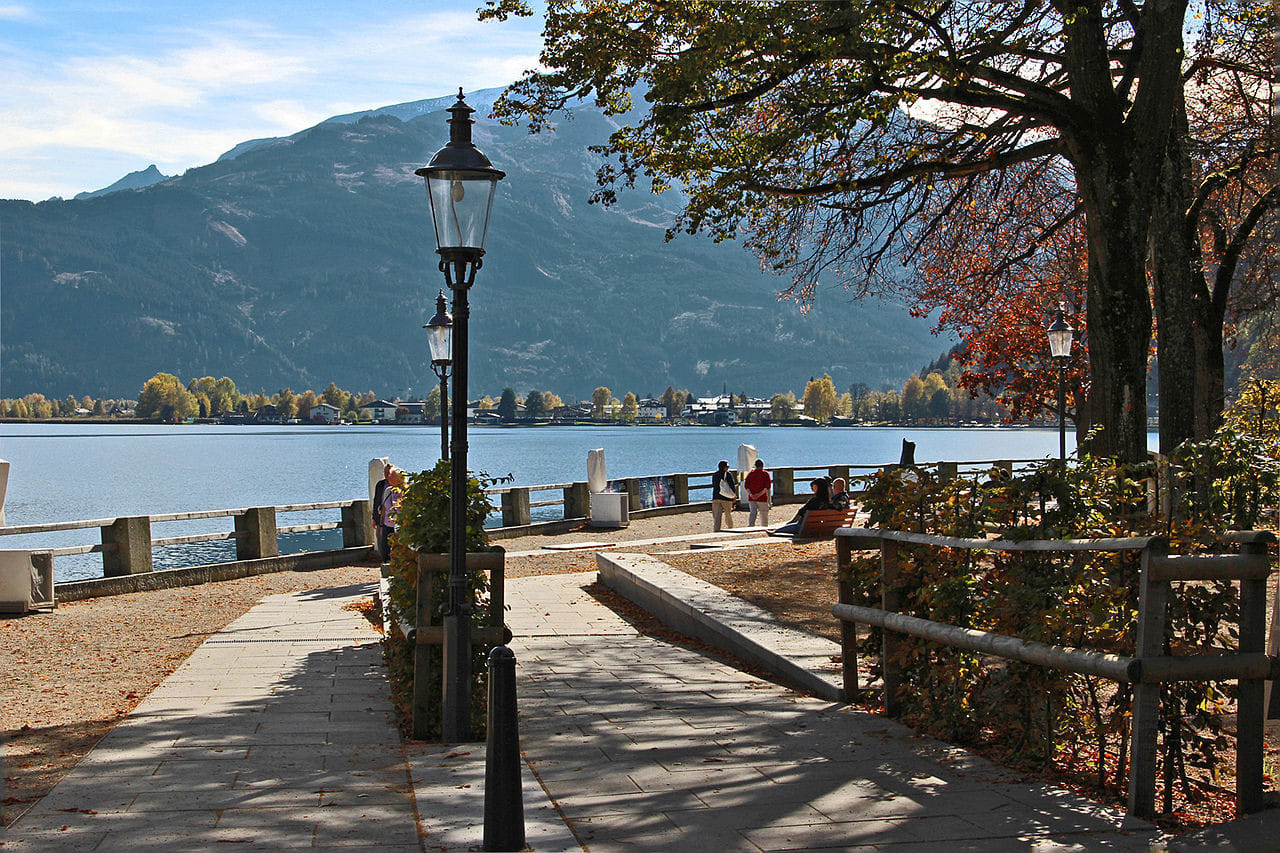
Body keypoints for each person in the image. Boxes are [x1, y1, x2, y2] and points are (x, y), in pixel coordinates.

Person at [379, 466, 406, 560]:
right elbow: (384, 507)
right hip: (387, 525)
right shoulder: (388, 490)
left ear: (398, 478)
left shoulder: (405, 491)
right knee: (385, 551)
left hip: (400, 526)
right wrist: (381, 524)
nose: (388, 477)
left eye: (391, 475)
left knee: (399, 551)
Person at [710, 459, 737, 531]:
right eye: (727, 467)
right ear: (725, 467)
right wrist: (734, 496)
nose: (728, 468)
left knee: (717, 515)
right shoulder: (728, 474)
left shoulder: (715, 475)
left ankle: (716, 529)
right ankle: (730, 528)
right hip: (726, 498)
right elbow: (732, 486)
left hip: (716, 497)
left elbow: (714, 485)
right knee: (728, 514)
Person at [744, 459, 772, 526]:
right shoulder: (765, 474)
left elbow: (746, 486)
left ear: (755, 465)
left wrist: (751, 495)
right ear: (762, 465)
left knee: (752, 513)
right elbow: (767, 487)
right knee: (764, 514)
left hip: (752, 498)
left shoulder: (751, 473)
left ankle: (751, 526)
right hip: (762, 498)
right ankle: (764, 527)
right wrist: (759, 495)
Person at [373, 463, 391, 562]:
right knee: (380, 539)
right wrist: (374, 518)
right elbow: (376, 501)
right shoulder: (380, 484)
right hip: (380, 518)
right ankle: (383, 560)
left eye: (388, 472)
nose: (386, 474)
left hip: (390, 519)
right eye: (385, 472)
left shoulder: (396, 486)